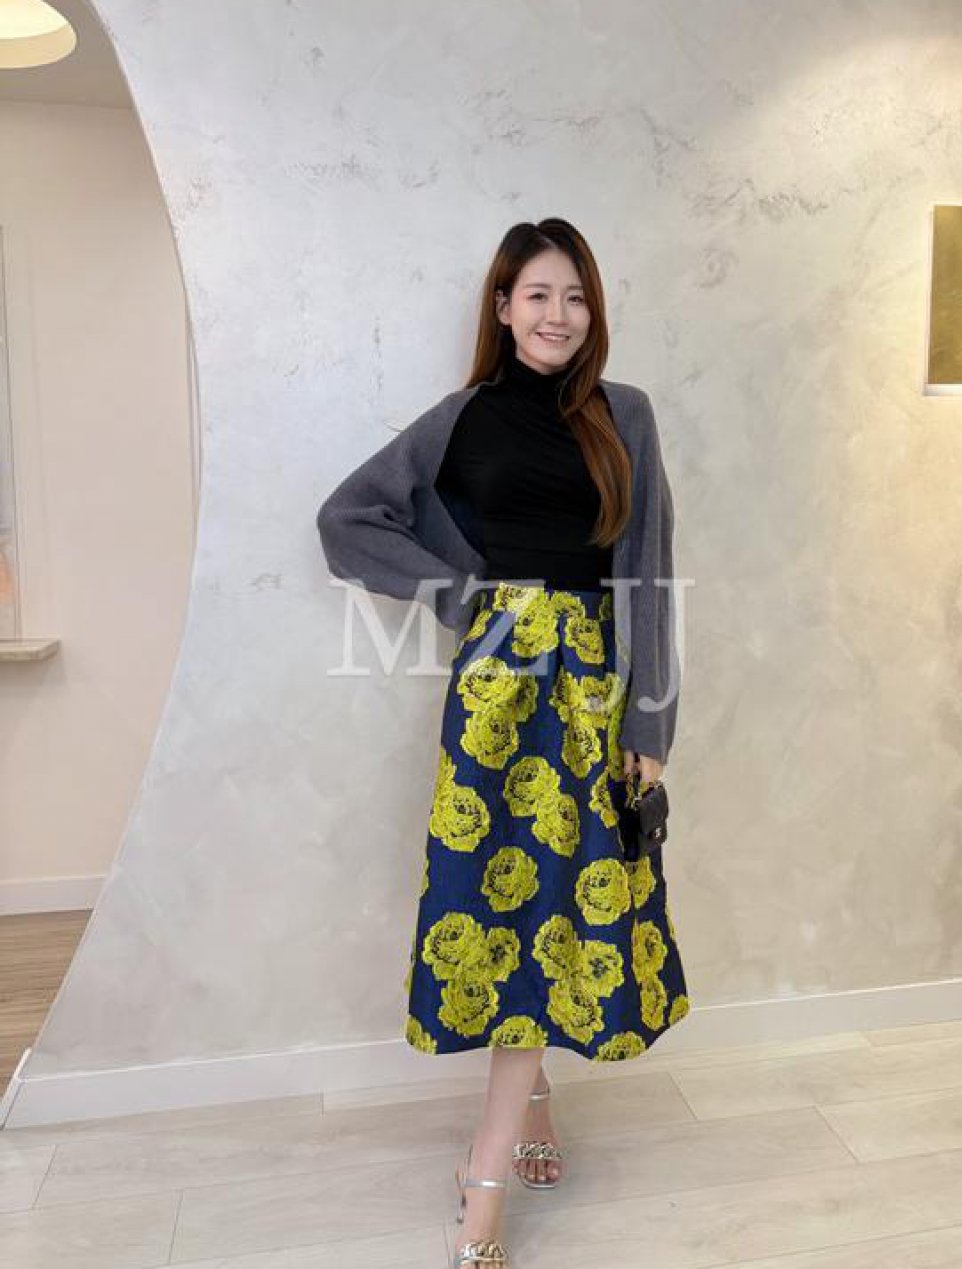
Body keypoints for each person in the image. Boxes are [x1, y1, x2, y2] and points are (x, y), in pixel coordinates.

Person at [316, 217, 690, 1268]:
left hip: (592, 695)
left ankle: (489, 1159)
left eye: (574, 295)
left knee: (564, 899)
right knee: (501, 901)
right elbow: (348, 520)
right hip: (493, 693)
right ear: (502, 307)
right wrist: (462, 592)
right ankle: (517, 1122)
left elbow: (651, 573)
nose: (557, 315)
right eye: (537, 295)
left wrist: (650, 722)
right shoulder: (461, 418)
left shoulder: (626, 414)